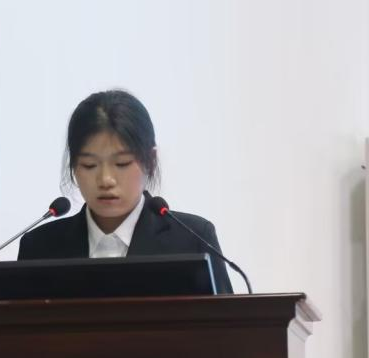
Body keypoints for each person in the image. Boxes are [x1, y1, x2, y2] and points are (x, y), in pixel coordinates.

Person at [17, 89, 234, 294]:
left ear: (150, 161)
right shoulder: (39, 247)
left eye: (121, 163)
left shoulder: (192, 240)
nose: (106, 180)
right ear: (74, 166)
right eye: (89, 165)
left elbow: (225, 321)